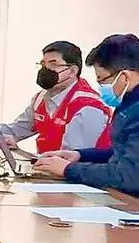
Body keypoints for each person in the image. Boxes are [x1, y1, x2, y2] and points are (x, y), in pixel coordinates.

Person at [35, 34, 139, 196]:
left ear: (124, 77)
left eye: (102, 80)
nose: (100, 87)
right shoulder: (127, 104)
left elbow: (128, 176)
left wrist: (68, 169)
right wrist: (79, 155)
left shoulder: (134, 111)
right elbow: (121, 152)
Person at [0, 41, 111, 152]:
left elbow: (73, 159)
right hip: (49, 173)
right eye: (43, 64)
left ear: (72, 71)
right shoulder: (41, 98)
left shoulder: (86, 106)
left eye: (53, 64)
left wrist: (26, 157)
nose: (46, 69)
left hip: (74, 180)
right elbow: (16, 130)